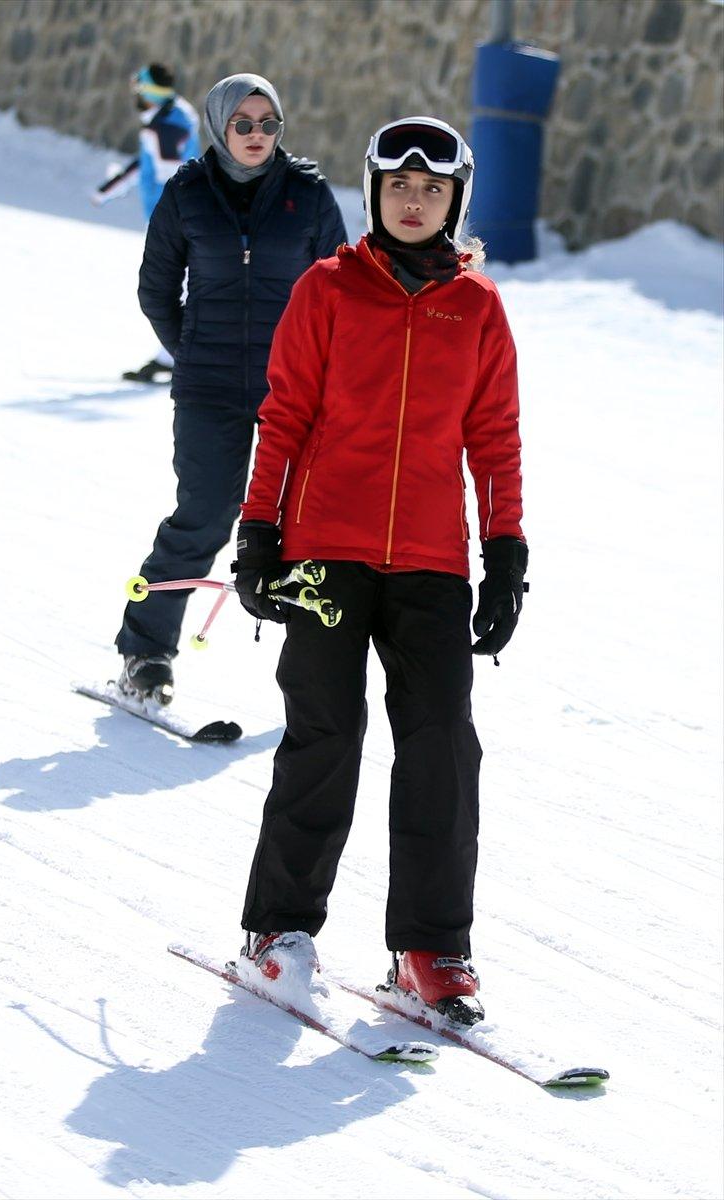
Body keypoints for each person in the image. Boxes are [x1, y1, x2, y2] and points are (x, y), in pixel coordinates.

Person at [231, 116, 529, 1023]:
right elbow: (283, 414)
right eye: (398, 186)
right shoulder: (326, 289)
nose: (413, 200)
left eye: (431, 189)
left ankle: (430, 949)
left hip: (432, 560)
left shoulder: (475, 306)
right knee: (324, 736)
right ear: (373, 193)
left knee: (442, 745)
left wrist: (505, 551)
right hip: (326, 550)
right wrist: (257, 530)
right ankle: (278, 932)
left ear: (454, 201)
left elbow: (494, 437)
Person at [115, 73, 348, 703]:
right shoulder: (187, 193)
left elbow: (340, 294)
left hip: (293, 393)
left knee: (308, 527)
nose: (255, 135)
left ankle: (323, 669)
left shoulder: (308, 194)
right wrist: (190, 351)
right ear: (219, 125)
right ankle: (144, 654)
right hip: (209, 390)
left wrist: (317, 369)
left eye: (267, 123)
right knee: (203, 518)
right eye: (242, 124)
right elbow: (155, 289)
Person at [92, 63, 201, 383]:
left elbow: (170, 166)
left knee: (169, 289)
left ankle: (175, 357)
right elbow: (148, 164)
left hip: (173, 221)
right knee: (173, 287)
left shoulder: (165, 126)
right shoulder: (170, 118)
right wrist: (109, 190)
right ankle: (172, 355)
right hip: (173, 217)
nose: (135, 98)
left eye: (139, 92)